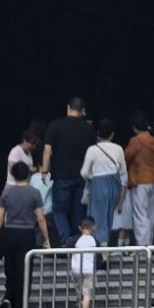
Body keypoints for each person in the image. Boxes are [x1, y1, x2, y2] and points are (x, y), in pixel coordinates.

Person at [0, 155, 51, 308]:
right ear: (28, 175)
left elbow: (0, 219)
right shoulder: (34, 193)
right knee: (24, 273)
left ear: (13, 174)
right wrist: (46, 239)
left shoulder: (7, 193)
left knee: (10, 270)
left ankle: (8, 295)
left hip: (9, 233)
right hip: (26, 235)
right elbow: (40, 218)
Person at [45, 95, 96, 244]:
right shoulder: (89, 129)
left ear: (68, 108)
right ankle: (77, 240)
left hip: (61, 175)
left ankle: (66, 239)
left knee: (59, 209)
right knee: (78, 210)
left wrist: (44, 169)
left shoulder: (55, 125)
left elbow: (47, 149)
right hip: (82, 176)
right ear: (82, 111)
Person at [123, 113, 154, 248]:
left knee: (140, 215)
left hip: (140, 181)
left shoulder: (136, 141)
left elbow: (126, 157)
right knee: (150, 215)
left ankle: (143, 246)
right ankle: (149, 246)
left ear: (134, 127)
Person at [83, 119, 126, 244]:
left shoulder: (92, 149)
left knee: (97, 218)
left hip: (98, 184)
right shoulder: (118, 149)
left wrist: (93, 177)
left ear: (98, 133)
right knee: (108, 218)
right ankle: (105, 244)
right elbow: (123, 170)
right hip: (114, 184)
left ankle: (100, 247)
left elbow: (84, 172)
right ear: (112, 134)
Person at [71, 215, 99, 308]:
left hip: (76, 268)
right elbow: (99, 257)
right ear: (93, 228)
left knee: (79, 287)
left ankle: (81, 299)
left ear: (80, 228)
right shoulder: (94, 241)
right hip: (89, 269)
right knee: (87, 291)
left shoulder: (75, 239)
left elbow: (67, 244)